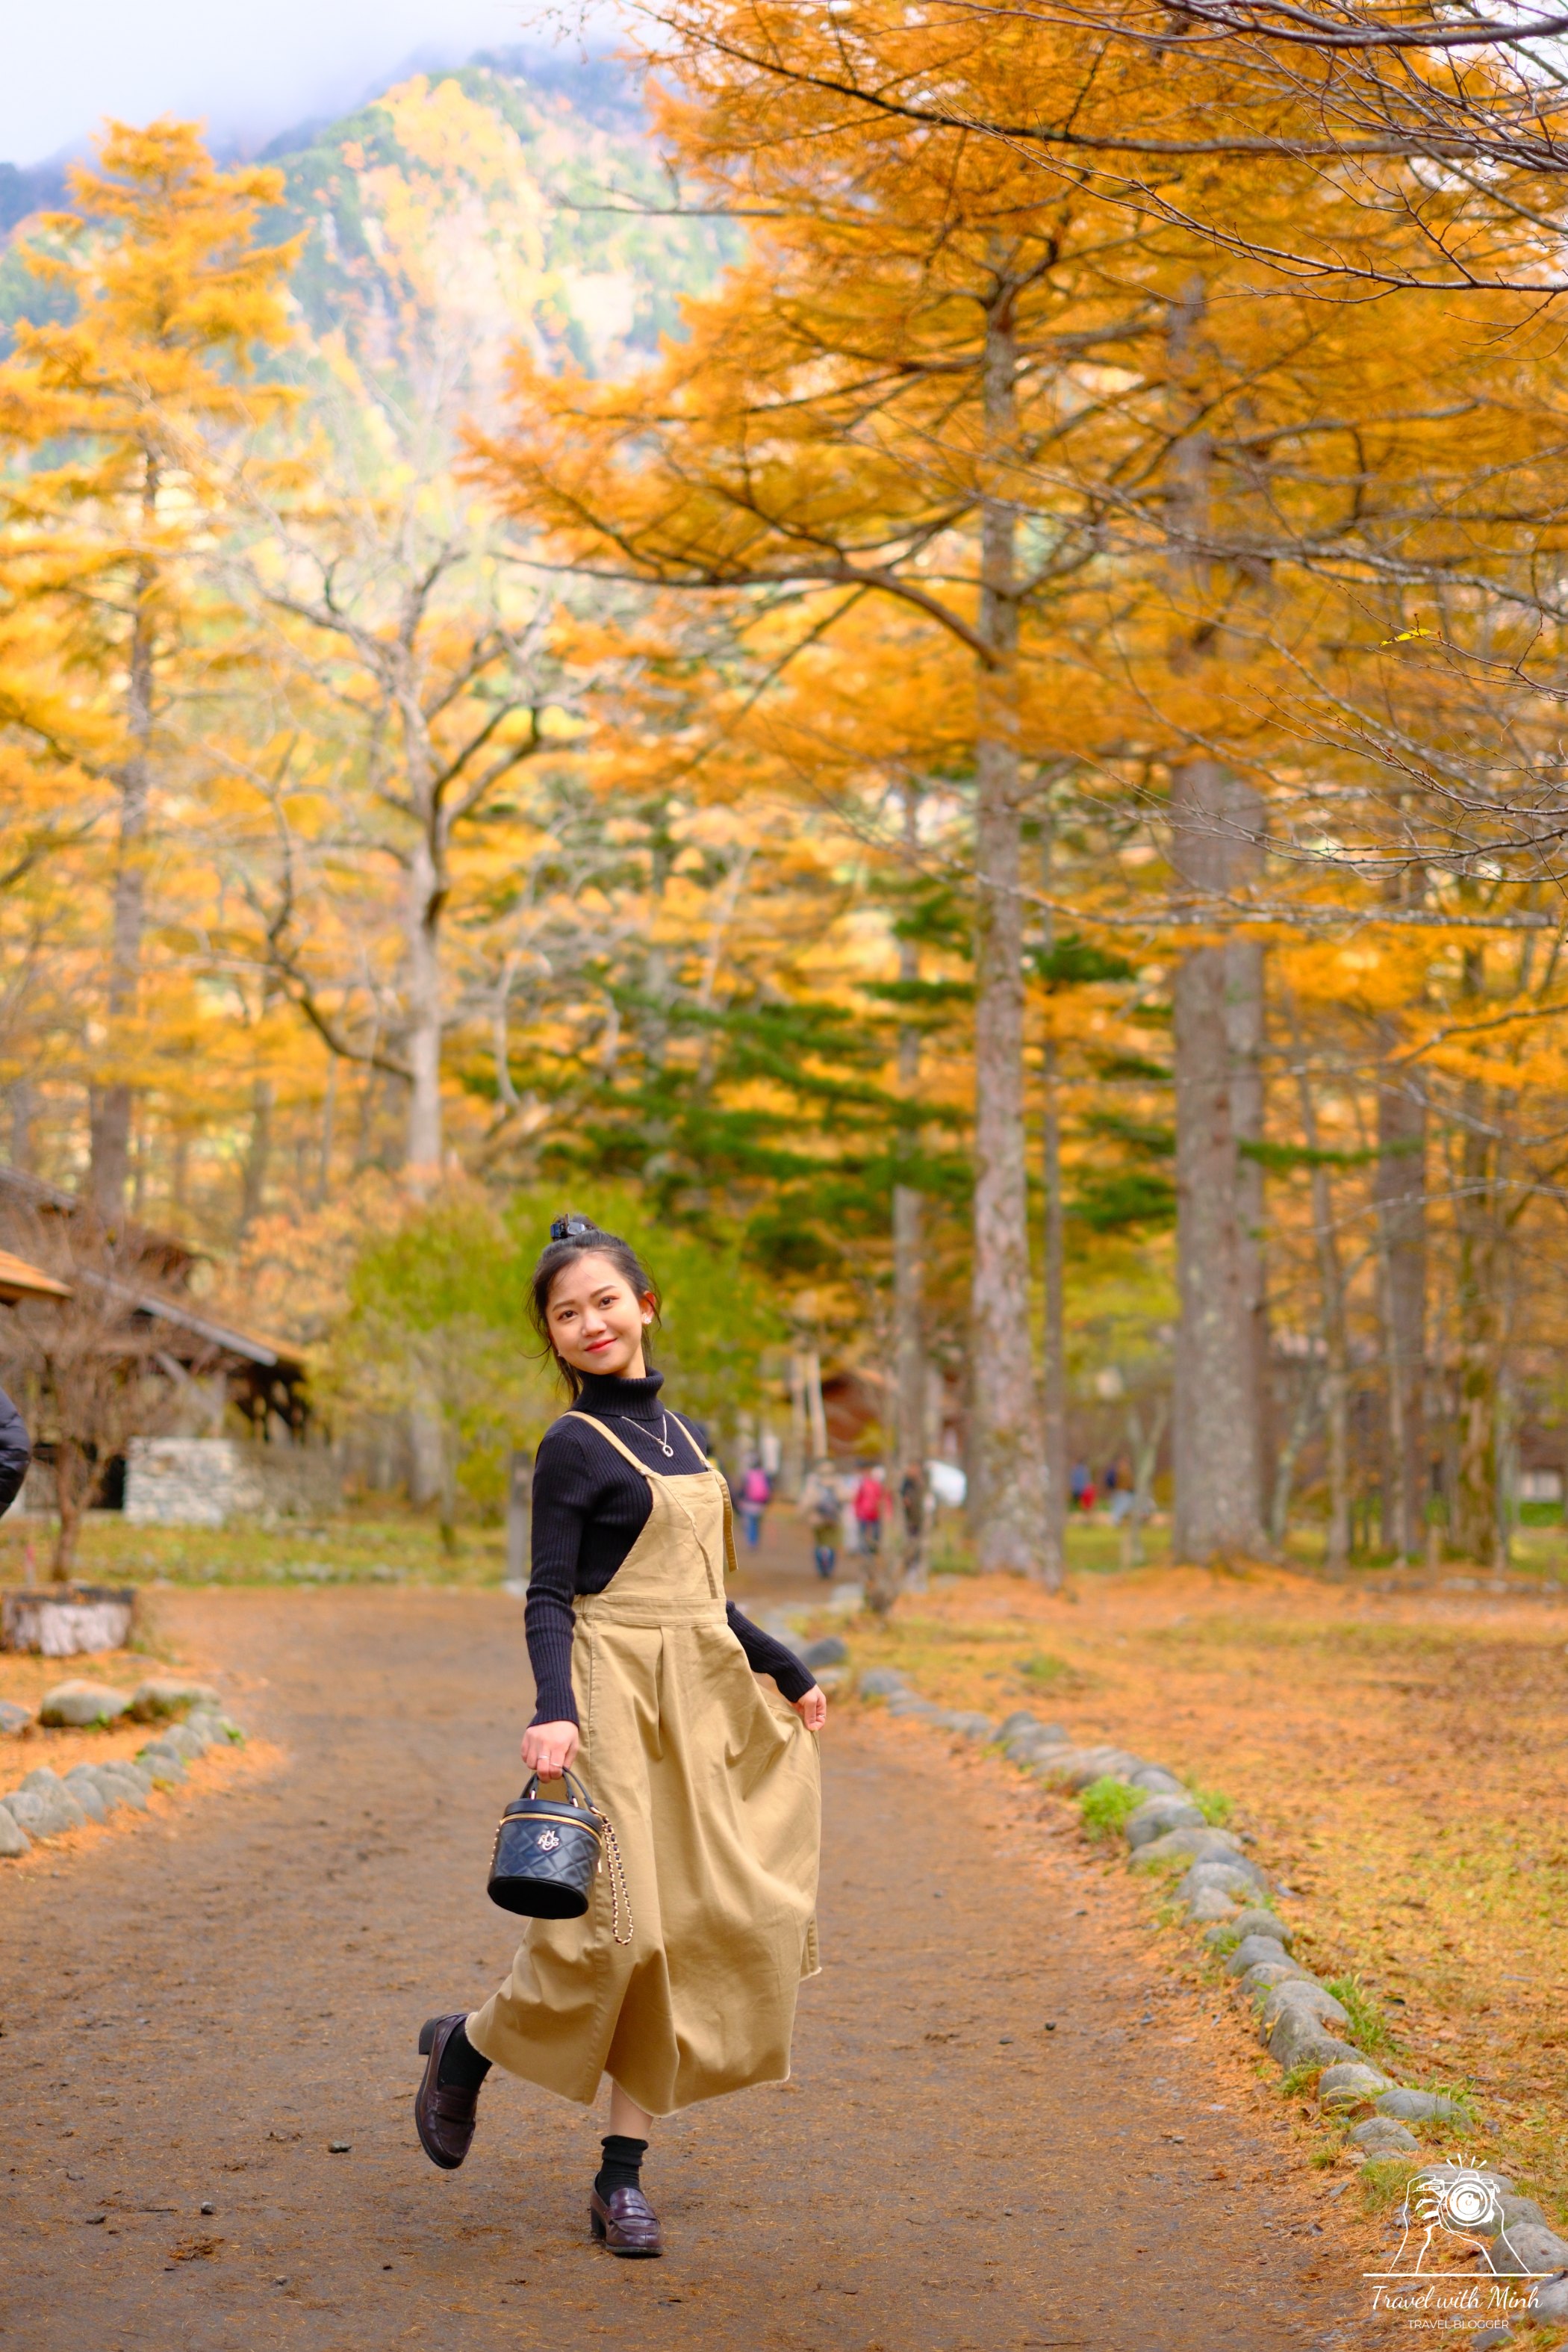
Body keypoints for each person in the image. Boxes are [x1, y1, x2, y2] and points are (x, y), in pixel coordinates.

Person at [414, 1215, 825, 2260]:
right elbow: (549, 1594)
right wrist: (553, 1707)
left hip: (699, 1695)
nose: (590, 1323)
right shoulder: (571, 1444)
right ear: (553, 1336)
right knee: (620, 1935)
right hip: (608, 1692)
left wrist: (783, 1665)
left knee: (686, 1937)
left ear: (645, 1307)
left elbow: (706, 1596)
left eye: (605, 1301)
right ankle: (468, 2047)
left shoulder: (685, 1436)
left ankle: (620, 2178)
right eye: (567, 1313)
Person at [802, 1460, 841, 1581]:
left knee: (819, 1544)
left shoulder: (814, 1483)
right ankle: (829, 1567)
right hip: (833, 1520)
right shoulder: (836, 1482)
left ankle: (821, 1568)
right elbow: (844, 1496)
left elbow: (807, 1501)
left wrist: (802, 1514)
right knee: (831, 1544)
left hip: (817, 1520)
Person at [852, 1465, 886, 1555]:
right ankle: (864, 1551)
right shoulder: (863, 1484)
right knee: (863, 1534)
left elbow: (881, 1498)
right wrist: (857, 1511)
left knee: (876, 1534)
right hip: (864, 1513)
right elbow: (858, 1499)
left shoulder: (877, 1485)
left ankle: (874, 1550)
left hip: (875, 1513)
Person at [738, 1459, 771, 1549]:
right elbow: (769, 1489)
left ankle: (751, 1542)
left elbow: (743, 1489)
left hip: (749, 1504)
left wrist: (740, 1499)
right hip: (760, 1504)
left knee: (750, 1524)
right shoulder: (764, 1475)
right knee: (757, 1524)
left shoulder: (748, 1475)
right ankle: (755, 1541)